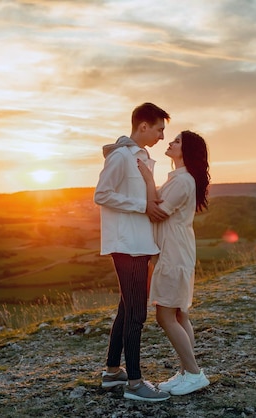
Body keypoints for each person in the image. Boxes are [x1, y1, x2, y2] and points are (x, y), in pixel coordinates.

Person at [94, 102, 172, 402]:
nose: (162, 136)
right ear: (143, 126)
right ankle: (136, 383)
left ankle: (113, 373)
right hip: (127, 244)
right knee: (137, 313)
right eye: (159, 129)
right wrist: (142, 206)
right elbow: (101, 194)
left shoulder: (142, 157)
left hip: (139, 243)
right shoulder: (121, 156)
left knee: (126, 309)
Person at [136, 130, 211, 396]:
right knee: (180, 313)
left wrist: (146, 177)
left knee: (165, 314)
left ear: (187, 150)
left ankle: (193, 374)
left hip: (173, 253)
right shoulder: (181, 179)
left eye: (177, 141)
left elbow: (157, 213)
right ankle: (186, 373)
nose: (170, 143)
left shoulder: (183, 181)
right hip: (178, 250)